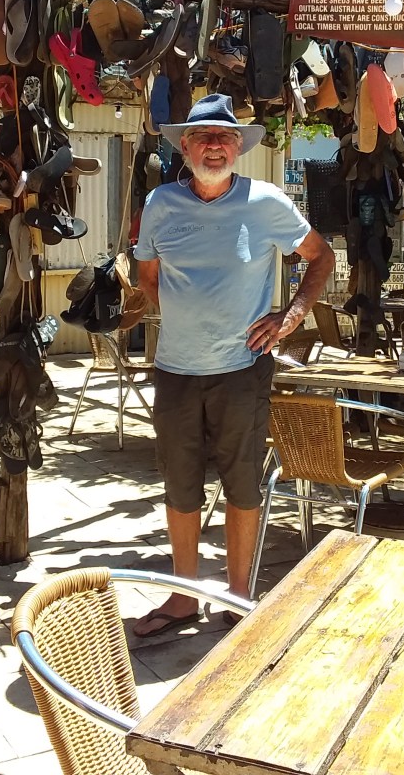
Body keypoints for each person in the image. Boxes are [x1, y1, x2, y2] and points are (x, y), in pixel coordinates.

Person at [131, 93, 333, 636]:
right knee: (180, 486)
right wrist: (183, 318)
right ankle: (183, 597)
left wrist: (291, 315)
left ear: (239, 147)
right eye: (204, 137)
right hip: (176, 370)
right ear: (186, 147)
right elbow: (147, 274)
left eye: (225, 137)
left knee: (242, 485)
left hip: (242, 370)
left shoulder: (266, 202)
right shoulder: (160, 204)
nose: (215, 146)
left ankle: (239, 594)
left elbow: (321, 256)